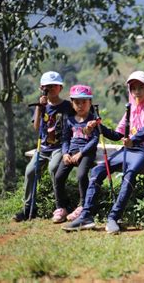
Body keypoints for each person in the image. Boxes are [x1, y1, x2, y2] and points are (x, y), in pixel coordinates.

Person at [63, 71, 144, 234]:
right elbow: (117, 135)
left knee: (129, 174)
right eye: (133, 88)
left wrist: (133, 140)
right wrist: (98, 127)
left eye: (141, 87)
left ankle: (113, 218)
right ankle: (86, 215)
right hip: (128, 148)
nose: (136, 92)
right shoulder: (129, 110)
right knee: (98, 170)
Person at [12, 71, 72, 222]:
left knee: (53, 168)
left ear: (60, 88)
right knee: (30, 171)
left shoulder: (67, 106)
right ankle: (28, 209)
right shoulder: (41, 106)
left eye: (53, 86)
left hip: (60, 147)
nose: (50, 89)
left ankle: (61, 205)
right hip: (44, 147)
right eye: (47, 87)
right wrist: (40, 107)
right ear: (41, 88)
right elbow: (37, 127)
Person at [52, 85, 99, 223]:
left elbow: (95, 140)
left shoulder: (92, 120)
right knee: (59, 176)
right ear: (72, 103)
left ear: (90, 102)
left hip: (86, 153)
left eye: (84, 102)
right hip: (71, 152)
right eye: (77, 102)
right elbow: (65, 138)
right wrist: (65, 153)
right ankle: (62, 207)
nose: (80, 105)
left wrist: (81, 153)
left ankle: (83, 206)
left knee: (81, 175)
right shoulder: (69, 119)